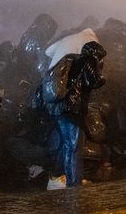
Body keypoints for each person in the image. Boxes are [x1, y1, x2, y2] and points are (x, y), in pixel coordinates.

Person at [41, 40, 107, 189]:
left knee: (67, 146)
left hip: (59, 109)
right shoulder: (89, 59)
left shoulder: (71, 59)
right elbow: (94, 81)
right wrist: (103, 76)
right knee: (75, 148)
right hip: (73, 109)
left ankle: (63, 178)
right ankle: (74, 183)